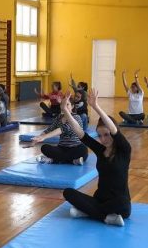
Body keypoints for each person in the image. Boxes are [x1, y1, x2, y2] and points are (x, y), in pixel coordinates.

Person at [60, 88, 131, 227]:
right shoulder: (100, 150)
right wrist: (65, 111)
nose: (103, 139)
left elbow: (114, 130)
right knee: (68, 192)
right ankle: (105, 217)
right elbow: (81, 134)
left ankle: (87, 212)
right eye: (100, 135)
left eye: (106, 135)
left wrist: (95, 106)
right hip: (100, 200)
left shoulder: (124, 150)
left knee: (123, 204)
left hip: (119, 204)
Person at [31, 93, 88, 165]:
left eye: (67, 104)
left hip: (75, 148)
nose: (64, 107)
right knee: (44, 148)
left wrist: (44, 137)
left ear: (72, 106)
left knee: (83, 150)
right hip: (62, 148)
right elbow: (49, 129)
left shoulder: (76, 117)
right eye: (63, 104)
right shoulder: (59, 117)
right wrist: (38, 138)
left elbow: (62, 129)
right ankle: (72, 161)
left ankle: (54, 160)